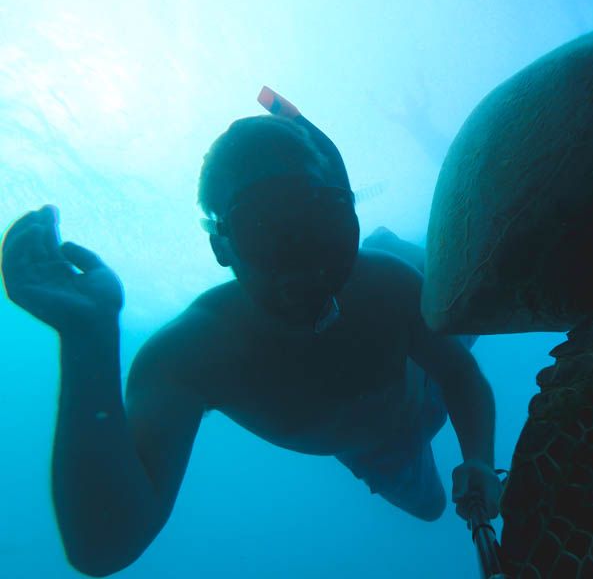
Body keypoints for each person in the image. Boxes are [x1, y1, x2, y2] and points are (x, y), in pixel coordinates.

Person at [1, 101, 501, 577]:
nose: (305, 265)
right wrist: (88, 337)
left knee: (457, 292)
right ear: (223, 248)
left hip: (418, 382)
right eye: (267, 233)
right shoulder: (192, 355)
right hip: (382, 451)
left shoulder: (388, 287)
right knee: (434, 508)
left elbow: (458, 374)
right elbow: (105, 545)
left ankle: (399, 247)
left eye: (319, 225)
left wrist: (478, 456)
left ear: (345, 217)